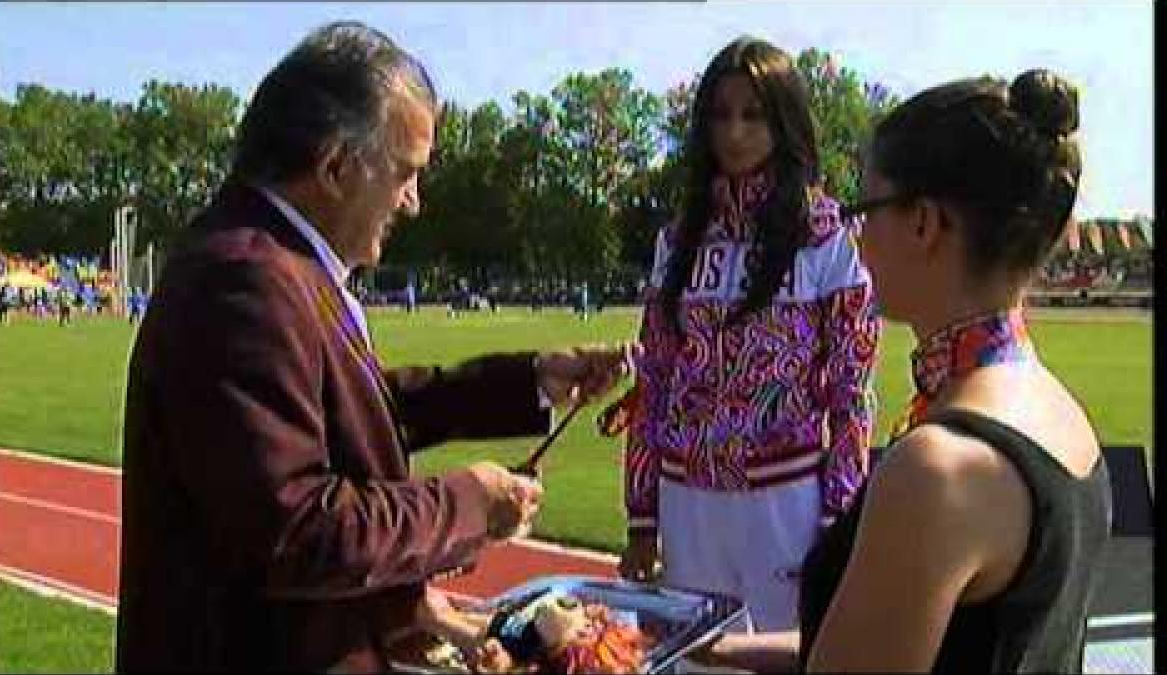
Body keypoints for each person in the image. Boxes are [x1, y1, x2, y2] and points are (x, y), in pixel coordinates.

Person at [116, 22, 630, 672]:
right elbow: (296, 529)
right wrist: (466, 502)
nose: (413, 202)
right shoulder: (245, 277)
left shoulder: (278, 262)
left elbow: (358, 409)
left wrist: (529, 379)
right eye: (405, 173)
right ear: (334, 166)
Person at [696, 69, 1112, 673]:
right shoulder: (1059, 413)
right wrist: (715, 649)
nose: (858, 241)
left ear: (923, 222)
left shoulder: (937, 469)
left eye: (865, 211)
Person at [617, 36, 880, 637]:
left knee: (782, 656)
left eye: (753, 114)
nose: (734, 132)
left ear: (784, 121)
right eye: (720, 115)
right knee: (691, 657)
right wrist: (642, 517)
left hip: (786, 501)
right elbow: (653, 386)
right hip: (687, 503)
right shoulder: (678, 240)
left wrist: (838, 520)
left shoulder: (827, 236)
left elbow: (852, 392)